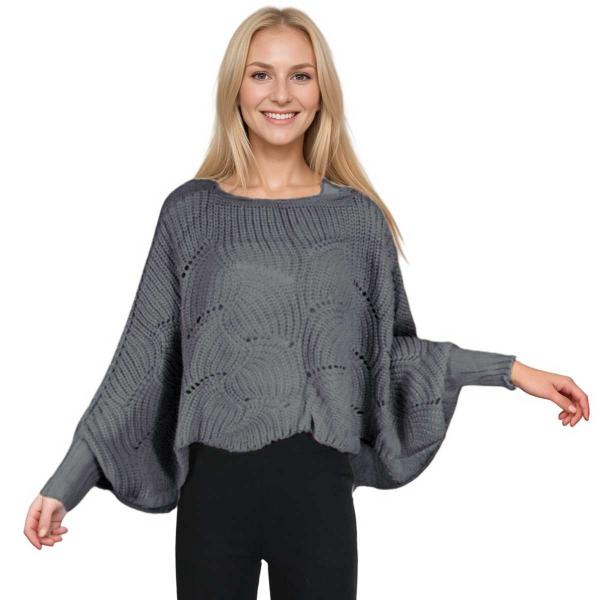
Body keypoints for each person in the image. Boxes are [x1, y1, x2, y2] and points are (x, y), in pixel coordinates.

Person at [24, 6, 590, 600]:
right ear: (235, 87)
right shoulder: (189, 214)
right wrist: (66, 483)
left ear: (322, 92)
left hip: (318, 494)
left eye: (300, 75)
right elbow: (142, 363)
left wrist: (510, 372)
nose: (281, 94)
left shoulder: (357, 221)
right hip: (213, 497)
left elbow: (388, 358)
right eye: (260, 74)